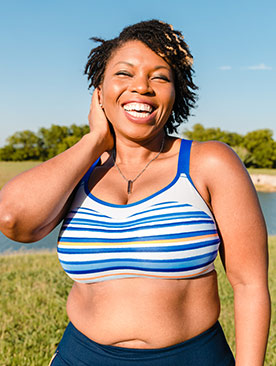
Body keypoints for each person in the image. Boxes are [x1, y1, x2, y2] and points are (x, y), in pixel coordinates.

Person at [0, 20, 270, 366]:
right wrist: (94, 140)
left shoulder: (210, 163)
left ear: (177, 92)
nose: (141, 87)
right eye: (124, 74)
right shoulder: (80, 172)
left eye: (159, 77)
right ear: (99, 92)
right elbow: (12, 219)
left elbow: (250, 286)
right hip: (79, 357)